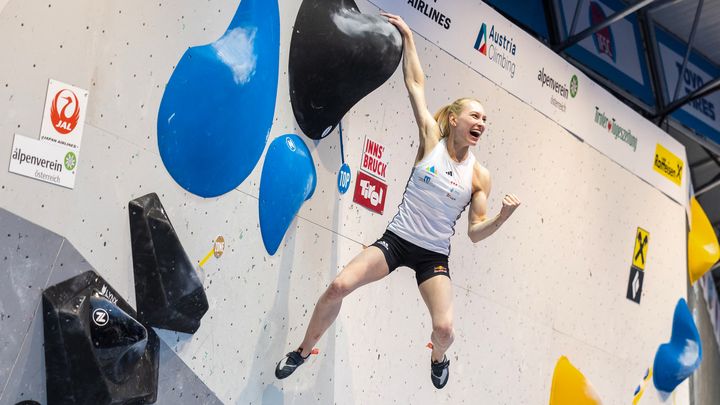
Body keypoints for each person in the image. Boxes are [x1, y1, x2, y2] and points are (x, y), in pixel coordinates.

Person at [275, 12, 520, 389]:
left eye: (486, 119)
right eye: (475, 115)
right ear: (454, 119)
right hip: (397, 240)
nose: (482, 123)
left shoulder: (480, 175)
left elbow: (474, 232)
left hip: (433, 255)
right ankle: (304, 351)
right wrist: (408, 35)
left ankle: (438, 358)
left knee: (445, 329)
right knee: (339, 286)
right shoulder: (430, 140)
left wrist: (502, 217)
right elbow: (415, 83)